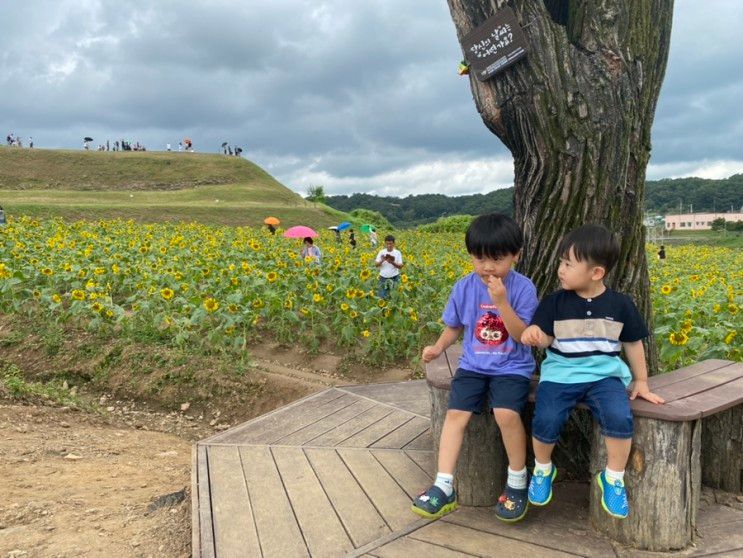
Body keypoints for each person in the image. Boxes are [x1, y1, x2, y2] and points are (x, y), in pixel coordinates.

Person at [521, 224, 664, 520]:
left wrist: (641, 381)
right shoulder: (555, 302)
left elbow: (633, 344)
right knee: (546, 418)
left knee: (619, 417)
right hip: (560, 374)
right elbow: (546, 337)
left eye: (568, 264)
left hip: (605, 376)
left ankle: (613, 478)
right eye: (561, 262)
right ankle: (543, 468)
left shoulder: (620, 305)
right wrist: (536, 333)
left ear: (596, 273)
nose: (560, 269)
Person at [412, 214, 538, 522]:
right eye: (480, 259)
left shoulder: (523, 288)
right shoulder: (464, 287)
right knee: (455, 415)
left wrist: (502, 302)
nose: (488, 267)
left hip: (512, 366)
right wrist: (438, 348)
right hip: (473, 365)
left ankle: (517, 480)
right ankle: (444, 484)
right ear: (471, 256)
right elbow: (454, 326)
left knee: (506, 413)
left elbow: (522, 335)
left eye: (497, 259)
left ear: (516, 255)